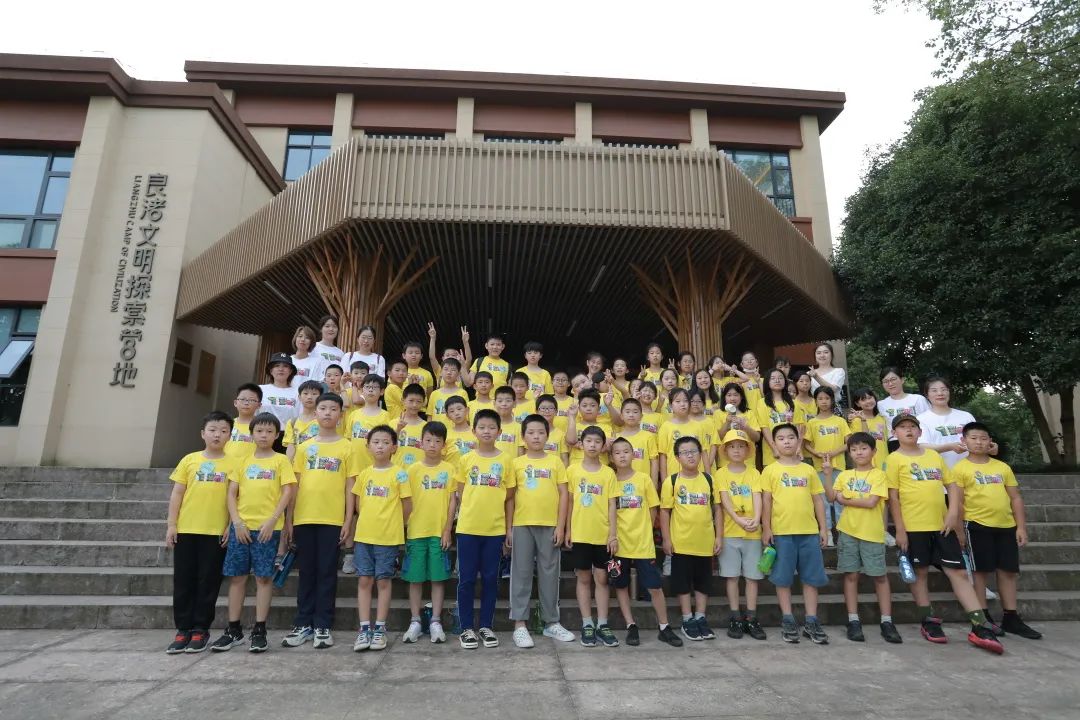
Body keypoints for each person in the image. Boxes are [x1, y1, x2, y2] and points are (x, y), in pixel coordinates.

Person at [886, 415, 1003, 654]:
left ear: (920, 432)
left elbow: (951, 486)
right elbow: (893, 497)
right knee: (919, 574)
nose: (908, 430)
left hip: (942, 526)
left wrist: (953, 514)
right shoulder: (893, 459)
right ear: (894, 433)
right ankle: (928, 619)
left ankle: (979, 624)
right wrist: (900, 529)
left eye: (913, 427)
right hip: (913, 527)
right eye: (903, 427)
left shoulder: (933, 456)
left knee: (958, 572)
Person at [211, 412, 296, 653]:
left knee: (263, 578)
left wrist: (272, 521)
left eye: (269, 432)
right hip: (242, 529)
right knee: (237, 577)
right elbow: (231, 494)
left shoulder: (281, 461)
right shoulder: (243, 461)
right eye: (259, 431)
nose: (264, 435)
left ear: (277, 435)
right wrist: (236, 523)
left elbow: (287, 493)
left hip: (268, 529)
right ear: (251, 434)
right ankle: (233, 629)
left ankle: (260, 630)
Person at [282, 392, 359, 650]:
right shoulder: (304, 447)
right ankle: (303, 623)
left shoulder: (348, 447)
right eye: (323, 408)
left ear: (341, 415)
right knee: (306, 572)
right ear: (315, 413)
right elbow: (294, 485)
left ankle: (323, 625)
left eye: (333, 409)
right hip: (304, 518)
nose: (327, 413)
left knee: (327, 572)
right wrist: (290, 519)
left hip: (332, 519)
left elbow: (350, 487)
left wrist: (348, 520)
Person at [952, 422, 1042, 639]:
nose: (979, 442)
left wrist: (1021, 527)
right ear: (964, 441)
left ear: (990, 441)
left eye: (983, 438)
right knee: (980, 572)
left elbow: (1016, 498)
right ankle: (983, 618)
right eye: (973, 438)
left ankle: (1011, 617)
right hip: (976, 525)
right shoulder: (959, 469)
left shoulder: (1002, 467)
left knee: (1008, 571)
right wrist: (960, 531)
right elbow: (958, 503)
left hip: (1006, 526)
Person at [165, 411, 238, 654]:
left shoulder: (234, 463)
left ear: (230, 435)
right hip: (186, 529)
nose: (217, 435)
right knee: (183, 580)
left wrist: (230, 525)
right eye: (213, 430)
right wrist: (172, 524)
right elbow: (177, 493)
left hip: (215, 532)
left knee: (209, 581)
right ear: (203, 434)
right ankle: (183, 629)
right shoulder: (189, 460)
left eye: (223, 431)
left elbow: (236, 498)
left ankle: (200, 629)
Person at [446, 409, 516, 649]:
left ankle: (486, 625)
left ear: (500, 431)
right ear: (474, 431)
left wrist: (508, 529)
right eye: (482, 427)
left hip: (494, 530)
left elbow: (509, 497)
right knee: (466, 579)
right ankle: (466, 628)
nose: (487, 431)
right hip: (468, 528)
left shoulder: (506, 460)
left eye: (492, 427)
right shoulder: (466, 459)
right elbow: (461, 492)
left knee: (490, 579)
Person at [607, 437, 683, 647]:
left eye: (626, 451)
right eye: (617, 452)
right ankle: (630, 625)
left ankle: (664, 626)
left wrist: (643, 531)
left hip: (643, 544)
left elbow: (652, 509)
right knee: (620, 585)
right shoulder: (609, 480)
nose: (622, 456)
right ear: (611, 458)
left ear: (633, 454)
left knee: (654, 586)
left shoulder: (644, 479)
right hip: (617, 546)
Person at [826, 432, 901, 644]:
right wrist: (828, 474)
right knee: (850, 576)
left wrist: (845, 499)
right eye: (854, 449)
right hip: (848, 532)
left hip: (872, 533)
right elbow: (831, 497)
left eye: (863, 448)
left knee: (880, 576)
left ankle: (887, 621)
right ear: (849, 453)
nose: (859, 453)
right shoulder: (845, 475)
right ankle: (853, 620)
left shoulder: (879, 475)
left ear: (874, 451)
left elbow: (871, 502)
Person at [509, 415, 575, 647]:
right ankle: (519, 624)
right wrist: (509, 528)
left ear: (548, 436)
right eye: (531, 432)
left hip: (550, 525)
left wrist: (561, 526)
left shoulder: (555, 462)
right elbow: (510, 498)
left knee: (550, 573)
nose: (536, 437)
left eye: (540, 432)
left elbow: (564, 494)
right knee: (521, 573)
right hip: (522, 524)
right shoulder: (516, 463)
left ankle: (551, 622)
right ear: (523, 437)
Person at [760, 423, 829, 644]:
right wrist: (767, 528)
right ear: (774, 443)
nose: (787, 441)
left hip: (808, 532)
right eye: (781, 438)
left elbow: (818, 500)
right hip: (782, 533)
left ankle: (811, 620)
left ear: (798, 441)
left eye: (791, 437)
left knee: (811, 579)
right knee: (783, 579)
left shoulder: (808, 470)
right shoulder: (770, 470)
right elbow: (767, 501)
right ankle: (788, 619)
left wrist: (823, 528)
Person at [348, 425, 412, 652]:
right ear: (368, 446)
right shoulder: (365, 473)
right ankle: (364, 628)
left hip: (388, 537)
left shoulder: (399, 473)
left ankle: (380, 629)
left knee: (383, 581)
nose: (380, 446)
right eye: (376, 442)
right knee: (364, 580)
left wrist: (394, 524)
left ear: (394, 447)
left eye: (385, 442)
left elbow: (407, 505)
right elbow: (358, 504)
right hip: (364, 535)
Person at [660, 436, 720, 642]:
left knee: (703, 582)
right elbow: (665, 512)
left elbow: (717, 509)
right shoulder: (672, 481)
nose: (690, 456)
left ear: (701, 454)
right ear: (677, 458)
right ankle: (687, 619)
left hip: (705, 541)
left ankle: (701, 617)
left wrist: (719, 536)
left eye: (694, 451)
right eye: (685, 453)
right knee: (683, 582)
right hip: (681, 543)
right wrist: (666, 539)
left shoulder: (709, 480)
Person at [400, 422, 456, 644]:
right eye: (428, 440)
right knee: (415, 579)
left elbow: (452, 502)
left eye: (437, 441)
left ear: (444, 444)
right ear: (421, 443)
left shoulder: (449, 469)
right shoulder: (412, 470)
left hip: (438, 532)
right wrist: (405, 525)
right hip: (416, 531)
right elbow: (405, 500)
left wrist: (447, 529)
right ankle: (415, 620)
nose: (432, 445)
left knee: (438, 578)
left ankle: (435, 621)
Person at [566, 426, 618, 647]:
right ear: (581, 444)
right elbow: (569, 502)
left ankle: (602, 624)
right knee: (584, 578)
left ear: (603, 445)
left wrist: (613, 534)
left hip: (602, 535)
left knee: (602, 579)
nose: (593, 445)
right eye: (589, 441)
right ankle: (587, 623)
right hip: (580, 534)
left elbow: (612, 505)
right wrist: (568, 530)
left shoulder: (608, 473)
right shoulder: (572, 470)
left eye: (598, 441)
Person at [715, 429, 767, 640]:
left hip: (752, 532)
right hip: (730, 532)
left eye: (741, 446)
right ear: (725, 450)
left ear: (748, 450)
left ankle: (751, 617)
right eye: (732, 447)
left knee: (752, 577)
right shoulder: (721, 474)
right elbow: (724, 501)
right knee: (732, 576)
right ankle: (735, 617)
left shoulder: (754, 473)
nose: (736, 450)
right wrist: (737, 519)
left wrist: (757, 519)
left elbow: (757, 497)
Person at [803, 387, 850, 547]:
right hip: (820, 467)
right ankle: (828, 532)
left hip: (839, 466)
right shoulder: (812, 422)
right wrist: (816, 453)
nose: (824, 402)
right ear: (816, 401)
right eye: (820, 398)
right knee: (823, 501)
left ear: (832, 400)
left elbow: (849, 442)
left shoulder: (840, 421)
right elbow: (806, 444)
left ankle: (842, 532)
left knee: (840, 499)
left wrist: (834, 452)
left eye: (827, 398)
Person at [917, 375, 983, 468]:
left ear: (949, 392)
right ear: (927, 395)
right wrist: (949, 447)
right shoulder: (921, 419)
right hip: (938, 471)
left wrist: (989, 447)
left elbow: (979, 439)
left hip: (969, 470)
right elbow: (921, 446)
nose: (940, 393)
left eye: (944, 389)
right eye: (934, 390)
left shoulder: (966, 416)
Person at [657, 388, 712, 477]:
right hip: (675, 476)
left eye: (685, 401)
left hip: (698, 477)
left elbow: (704, 453)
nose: (682, 404)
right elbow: (663, 456)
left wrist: (708, 477)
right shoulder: (665, 427)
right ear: (670, 405)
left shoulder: (698, 426)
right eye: (678, 401)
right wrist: (664, 481)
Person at [344, 375, 390, 471]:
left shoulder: (387, 416)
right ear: (361, 390)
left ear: (382, 391)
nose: (370, 390)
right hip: (354, 468)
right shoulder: (354, 415)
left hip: (377, 468)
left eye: (374, 387)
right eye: (367, 387)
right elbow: (348, 441)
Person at [877, 367, 930, 448]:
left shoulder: (918, 399)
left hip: (920, 442)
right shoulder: (880, 405)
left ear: (902, 380)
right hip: (894, 444)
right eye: (885, 381)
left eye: (893, 379)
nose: (890, 384)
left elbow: (929, 421)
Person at [713, 383, 761, 470]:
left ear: (741, 397)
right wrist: (727, 423)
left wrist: (745, 427)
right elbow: (717, 438)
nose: (732, 398)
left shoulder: (749, 413)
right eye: (729, 395)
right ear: (724, 397)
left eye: (736, 395)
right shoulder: (718, 413)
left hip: (747, 462)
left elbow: (757, 438)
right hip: (725, 462)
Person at [614, 398, 659, 485]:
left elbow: (654, 462)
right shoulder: (616, 438)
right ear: (621, 416)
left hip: (643, 484)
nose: (631, 415)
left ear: (641, 416)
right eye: (627, 412)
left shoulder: (649, 437)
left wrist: (654, 485)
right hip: (621, 485)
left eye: (635, 412)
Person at [756, 368, 796, 466]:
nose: (777, 380)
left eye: (780, 378)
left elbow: (798, 427)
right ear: (767, 382)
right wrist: (775, 449)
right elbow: (764, 427)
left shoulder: (793, 403)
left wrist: (798, 448)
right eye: (773, 378)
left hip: (792, 451)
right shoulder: (762, 403)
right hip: (771, 452)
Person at [847, 388, 889, 470]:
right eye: (863, 400)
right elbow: (862, 441)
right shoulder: (856, 420)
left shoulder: (882, 418)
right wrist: (863, 420)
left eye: (870, 398)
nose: (868, 401)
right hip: (867, 463)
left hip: (884, 461)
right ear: (857, 404)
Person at [283, 381, 323, 463]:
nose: (309, 397)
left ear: (321, 397)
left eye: (314, 394)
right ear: (299, 397)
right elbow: (291, 448)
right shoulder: (292, 422)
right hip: (297, 466)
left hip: (316, 465)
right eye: (305, 393)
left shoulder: (324, 421)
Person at [259, 353, 299, 430]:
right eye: (277, 366)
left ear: (290, 371)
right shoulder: (260, 390)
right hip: (263, 433)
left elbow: (301, 416)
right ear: (271, 371)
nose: (281, 369)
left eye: (285, 366)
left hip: (289, 434)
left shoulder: (298, 392)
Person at [392, 383, 427, 468]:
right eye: (411, 400)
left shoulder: (426, 427)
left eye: (419, 401)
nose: (414, 405)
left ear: (423, 403)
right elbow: (389, 450)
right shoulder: (392, 423)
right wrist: (398, 430)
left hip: (419, 472)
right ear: (403, 400)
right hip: (397, 472)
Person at [224, 383, 262, 460]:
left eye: (251, 400)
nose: (246, 403)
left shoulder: (262, 427)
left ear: (259, 405)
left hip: (252, 466)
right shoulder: (226, 425)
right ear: (235, 403)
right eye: (242, 399)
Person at [533, 394, 570, 465]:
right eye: (543, 408)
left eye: (551, 408)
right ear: (537, 411)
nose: (547, 411)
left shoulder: (561, 435)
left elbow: (564, 460)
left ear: (556, 411)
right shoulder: (531, 434)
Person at [808, 342, 847, 409]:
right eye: (818, 353)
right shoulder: (809, 374)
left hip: (833, 408)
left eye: (826, 352)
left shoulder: (839, 371)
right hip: (814, 408)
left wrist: (816, 377)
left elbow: (833, 389)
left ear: (831, 355)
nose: (822, 355)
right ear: (815, 356)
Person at [443, 396, 478, 462]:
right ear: (448, 416)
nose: (456, 413)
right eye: (452, 411)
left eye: (459, 409)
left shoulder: (477, 432)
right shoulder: (445, 434)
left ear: (467, 410)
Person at [493, 385, 522, 457]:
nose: (504, 404)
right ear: (494, 403)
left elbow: (521, 455)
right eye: (500, 401)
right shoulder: (489, 427)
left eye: (508, 401)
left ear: (514, 403)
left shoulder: (520, 428)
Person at [290, 325, 321, 389]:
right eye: (300, 336)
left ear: (311, 342)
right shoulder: (288, 360)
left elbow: (317, 384)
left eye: (307, 338)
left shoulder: (316, 362)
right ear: (295, 339)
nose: (303, 339)